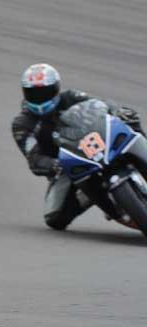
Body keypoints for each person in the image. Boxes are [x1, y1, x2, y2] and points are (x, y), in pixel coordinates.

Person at [11, 63, 142, 229]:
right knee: (55, 218)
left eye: (44, 92)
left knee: (130, 121)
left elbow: (100, 105)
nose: (39, 97)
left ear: (56, 89)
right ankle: (97, 199)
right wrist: (53, 165)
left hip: (95, 143)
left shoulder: (70, 96)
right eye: (33, 93)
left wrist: (117, 111)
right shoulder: (22, 124)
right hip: (67, 165)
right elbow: (34, 158)